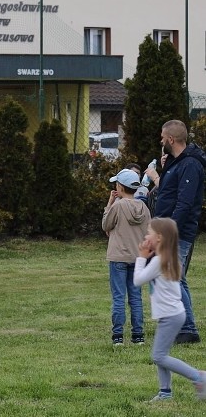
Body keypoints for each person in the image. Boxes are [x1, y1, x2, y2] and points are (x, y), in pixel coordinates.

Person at [133, 218, 206, 401]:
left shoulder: (159, 261)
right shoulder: (168, 258)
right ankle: (165, 392)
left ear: (159, 238)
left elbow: (138, 280)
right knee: (161, 353)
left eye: (149, 232)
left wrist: (141, 257)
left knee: (158, 356)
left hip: (171, 316)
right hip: (173, 314)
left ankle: (199, 377)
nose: (146, 235)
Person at [148, 120, 206, 344]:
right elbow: (168, 191)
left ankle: (187, 328)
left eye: (163, 137)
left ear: (171, 139)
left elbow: (184, 202)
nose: (161, 140)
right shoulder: (177, 162)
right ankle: (183, 327)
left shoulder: (190, 164)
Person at [102, 169, 150, 346]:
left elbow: (106, 225)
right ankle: (138, 336)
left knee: (119, 297)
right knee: (135, 297)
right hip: (137, 258)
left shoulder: (118, 206)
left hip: (118, 257)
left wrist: (110, 203)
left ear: (120, 187)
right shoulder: (144, 207)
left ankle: (118, 337)